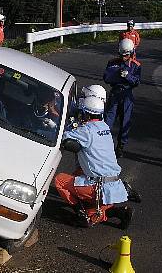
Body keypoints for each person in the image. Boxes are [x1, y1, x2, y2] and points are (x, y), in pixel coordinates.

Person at [55, 96, 133, 229]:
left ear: (85, 113)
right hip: (113, 184)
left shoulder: (86, 131)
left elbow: (63, 137)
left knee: (60, 180)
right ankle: (119, 212)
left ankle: (82, 215)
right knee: (78, 173)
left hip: (98, 186)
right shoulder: (104, 127)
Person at [104, 38, 141, 158]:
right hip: (115, 93)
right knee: (108, 120)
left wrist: (127, 76)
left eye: (127, 54)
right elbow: (106, 78)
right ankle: (105, 144)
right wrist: (118, 75)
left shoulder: (136, 65)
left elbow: (136, 82)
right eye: (122, 54)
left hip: (127, 95)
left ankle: (120, 146)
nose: (124, 57)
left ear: (131, 52)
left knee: (125, 122)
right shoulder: (112, 62)